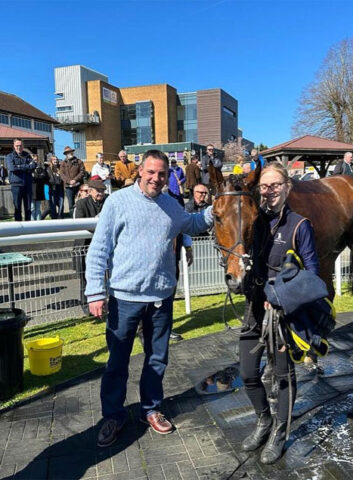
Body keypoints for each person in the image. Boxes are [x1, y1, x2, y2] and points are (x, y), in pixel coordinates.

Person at [85, 150, 213, 447]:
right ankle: (113, 416)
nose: (156, 178)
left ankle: (150, 409)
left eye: (162, 174)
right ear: (140, 171)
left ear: (168, 176)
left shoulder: (171, 204)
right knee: (118, 361)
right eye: (152, 172)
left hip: (161, 297)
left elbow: (192, 225)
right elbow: (99, 248)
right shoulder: (118, 202)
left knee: (157, 359)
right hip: (124, 297)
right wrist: (95, 291)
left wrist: (214, 210)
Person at [239, 163, 320, 464]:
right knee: (247, 373)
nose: (269, 191)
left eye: (275, 185)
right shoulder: (254, 222)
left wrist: (281, 298)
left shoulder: (300, 226)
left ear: (287, 187)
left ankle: (280, 434)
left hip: (282, 315)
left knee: (283, 378)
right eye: (264, 186)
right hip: (253, 308)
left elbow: (313, 276)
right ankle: (264, 421)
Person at [74, 179, 107, 311]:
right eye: (98, 191)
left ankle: (105, 303)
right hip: (84, 246)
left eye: (103, 191)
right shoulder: (81, 204)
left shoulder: (108, 202)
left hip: (103, 246)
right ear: (91, 191)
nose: (101, 193)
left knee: (106, 276)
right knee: (85, 277)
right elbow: (80, 224)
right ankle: (85, 305)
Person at [6, 138, 36, 221]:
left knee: (28, 208)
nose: (19, 147)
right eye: (17, 146)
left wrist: (19, 166)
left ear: (23, 146)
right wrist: (26, 166)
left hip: (27, 184)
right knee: (17, 207)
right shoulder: (9, 156)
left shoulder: (27, 155)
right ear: (14, 146)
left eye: (20, 145)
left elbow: (33, 166)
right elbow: (12, 168)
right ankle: (18, 227)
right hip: (16, 185)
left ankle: (28, 227)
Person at [60, 145, 85, 213]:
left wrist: (75, 180)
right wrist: (69, 181)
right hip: (68, 187)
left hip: (78, 185)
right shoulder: (62, 163)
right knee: (71, 204)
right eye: (67, 152)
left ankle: (81, 217)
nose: (69, 153)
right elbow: (62, 174)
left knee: (80, 202)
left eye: (70, 151)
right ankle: (72, 219)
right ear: (65, 154)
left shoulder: (79, 162)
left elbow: (82, 172)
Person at [31, 156, 49, 221]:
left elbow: (43, 177)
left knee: (38, 208)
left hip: (39, 191)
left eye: (36, 160)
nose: (35, 161)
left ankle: (38, 222)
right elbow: (32, 179)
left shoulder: (41, 169)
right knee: (32, 208)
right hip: (32, 191)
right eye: (34, 160)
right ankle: (32, 222)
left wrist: (36, 176)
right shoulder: (30, 169)